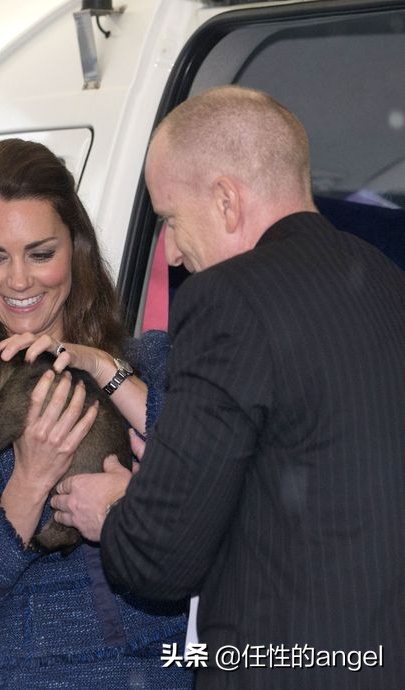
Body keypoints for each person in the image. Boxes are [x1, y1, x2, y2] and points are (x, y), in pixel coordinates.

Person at [52, 86, 405, 688]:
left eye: (168, 218)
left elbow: (158, 559)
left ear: (225, 201)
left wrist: (116, 509)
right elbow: (313, 476)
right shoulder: (385, 282)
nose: (171, 251)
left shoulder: (227, 300)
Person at [0, 138, 192, 688]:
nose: (18, 281)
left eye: (40, 253)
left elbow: (216, 499)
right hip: (26, 675)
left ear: (75, 250)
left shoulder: (148, 362)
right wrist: (30, 481)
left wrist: (107, 371)